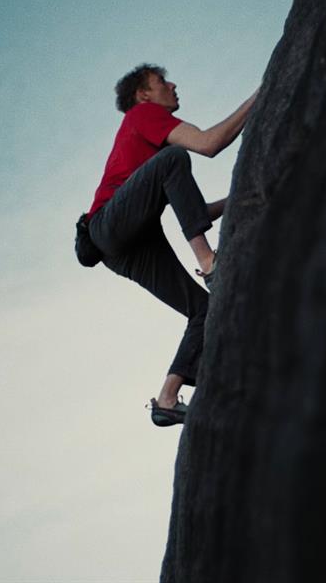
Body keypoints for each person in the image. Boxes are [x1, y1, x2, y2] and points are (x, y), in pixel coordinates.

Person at [85, 64, 259, 427]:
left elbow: (193, 209)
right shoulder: (142, 115)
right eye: (163, 81)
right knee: (175, 157)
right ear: (143, 95)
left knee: (204, 311)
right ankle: (209, 261)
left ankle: (167, 398)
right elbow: (208, 144)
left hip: (122, 247)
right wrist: (262, 94)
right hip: (108, 227)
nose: (174, 84)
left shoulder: (148, 156)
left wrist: (242, 196)